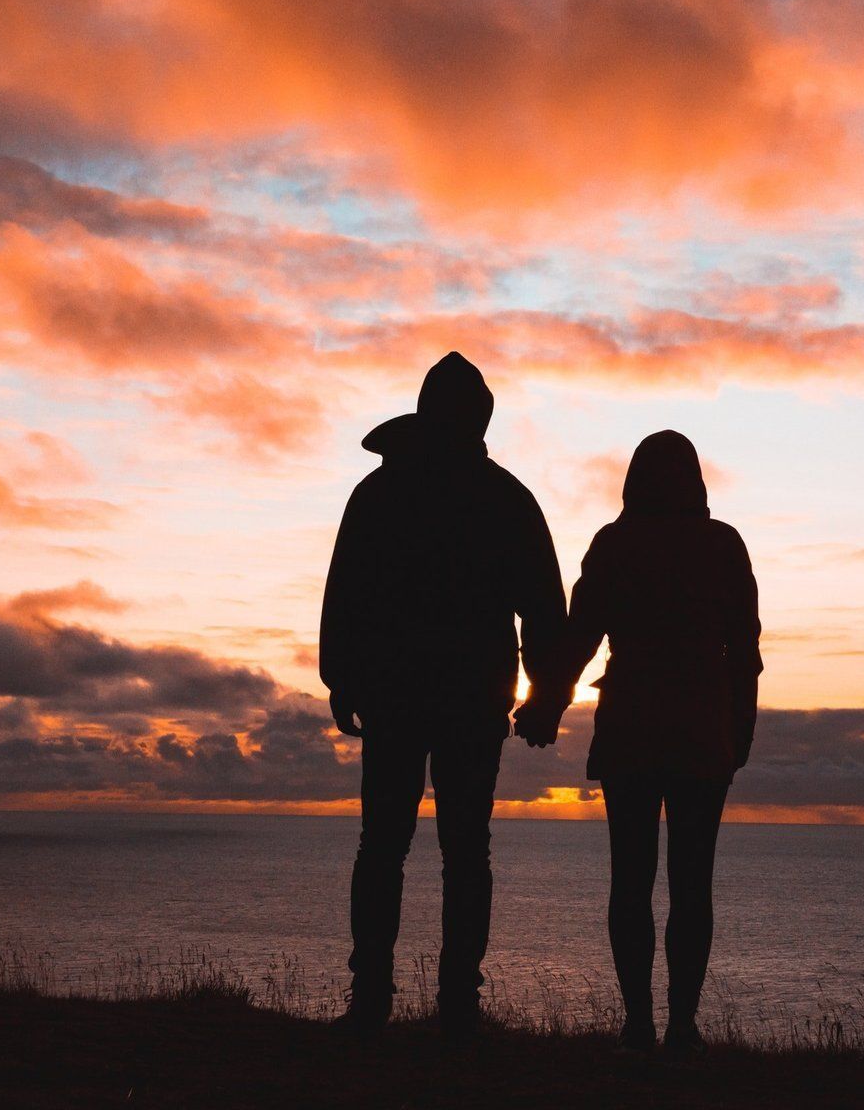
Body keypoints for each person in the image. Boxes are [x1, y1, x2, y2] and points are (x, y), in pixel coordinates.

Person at [319, 352, 570, 1038]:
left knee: (388, 847)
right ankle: (451, 1001)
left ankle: (381, 997)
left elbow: (346, 592)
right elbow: (544, 608)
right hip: (463, 695)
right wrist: (545, 695)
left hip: (406, 692)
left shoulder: (382, 493)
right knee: (459, 851)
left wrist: (341, 674)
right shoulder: (503, 496)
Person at [530, 430, 761, 1055]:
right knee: (692, 884)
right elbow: (746, 651)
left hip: (632, 727)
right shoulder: (723, 545)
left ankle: (639, 1025)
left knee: (630, 881)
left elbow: (580, 638)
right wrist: (740, 728)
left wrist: (546, 705)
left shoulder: (615, 544)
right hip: (701, 731)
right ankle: (681, 1027)